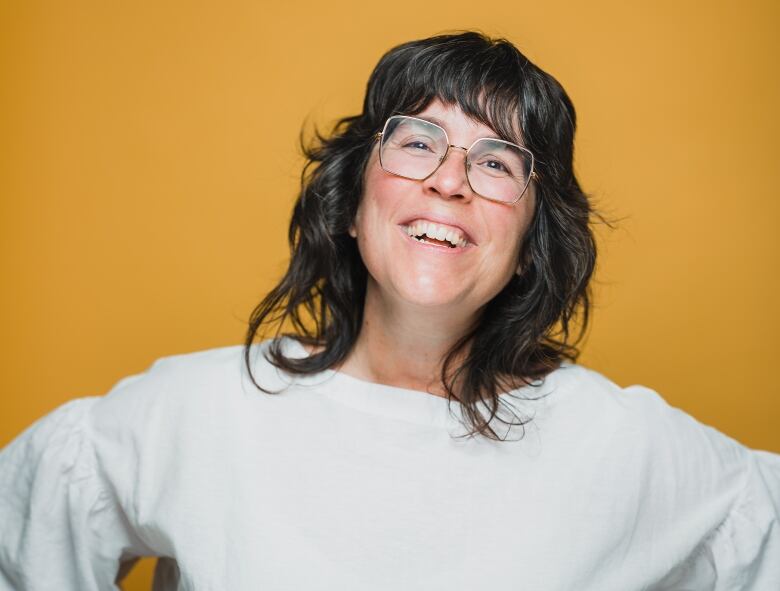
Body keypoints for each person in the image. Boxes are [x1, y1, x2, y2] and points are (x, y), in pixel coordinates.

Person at [1, 31, 778, 590]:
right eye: (417, 143)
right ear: (350, 201)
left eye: (497, 162)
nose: (451, 179)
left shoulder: (621, 445)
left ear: (531, 243)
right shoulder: (194, 412)